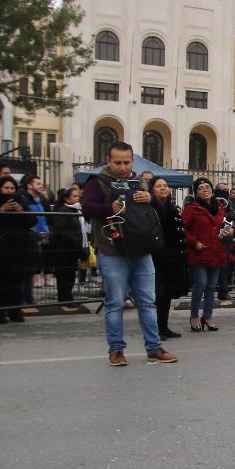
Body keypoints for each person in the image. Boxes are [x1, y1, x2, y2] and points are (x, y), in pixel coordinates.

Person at [79, 141, 177, 366]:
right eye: (118, 162)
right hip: (112, 251)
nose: (123, 167)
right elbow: (87, 208)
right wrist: (109, 209)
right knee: (115, 303)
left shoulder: (140, 181)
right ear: (108, 161)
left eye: (127, 162)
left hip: (142, 251)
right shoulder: (97, 182)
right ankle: (116, 350)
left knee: (147, 302)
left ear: (133, 161)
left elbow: (161, 213)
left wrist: (152, 199)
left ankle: (154, 347)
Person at [0, 177, 35, 324]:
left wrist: (22, 212)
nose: (9, 192)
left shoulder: (21, 200)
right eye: (6, 188)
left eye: (12, 188)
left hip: (19, 247)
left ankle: (15, 311)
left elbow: (32, 221)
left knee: (16, 282)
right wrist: (1, 210)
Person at [182, 177, 229, 333]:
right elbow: (184, 229)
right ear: (196, 192)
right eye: (201, 188)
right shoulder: (192, 208)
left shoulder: (219, 207)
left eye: (207, 186)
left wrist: (229, 229)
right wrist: (194, 242)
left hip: (216, 251)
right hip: (199, 252)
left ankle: (207, 316)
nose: (205, 189)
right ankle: (194, 315)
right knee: (200, 283)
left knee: (211, 286)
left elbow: (225, 223)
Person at [150, 176, 186, 338]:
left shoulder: (171, 207)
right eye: (159, 186)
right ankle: (156, 328)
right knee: (158, 294)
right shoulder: (151, 207)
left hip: (172, 256)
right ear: (151, 189)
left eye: (165, 185)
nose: (164, 188)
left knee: (167, 294)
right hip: (157, 255)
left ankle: (163, 327)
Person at [48, 185, 88, 305]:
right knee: (64, 276)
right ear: (66, 199)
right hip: (64, 249)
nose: (78, 198)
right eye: (75, 196)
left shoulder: (77, 210)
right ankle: (65, 299)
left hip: (74, 249)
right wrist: (73, 240)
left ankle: (68, 298)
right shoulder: (62, 211)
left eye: (78, 196)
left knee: (70, 275)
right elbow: (59, 231)